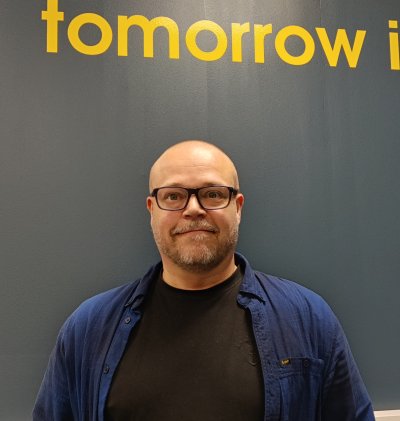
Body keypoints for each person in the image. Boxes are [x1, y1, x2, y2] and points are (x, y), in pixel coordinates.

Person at [33, 140, 375, 421]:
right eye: (173, 196)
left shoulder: (308, 319)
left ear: (237, 207)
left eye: (212, 194)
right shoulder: (87, 329)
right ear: (152, 210)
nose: (194, 208)